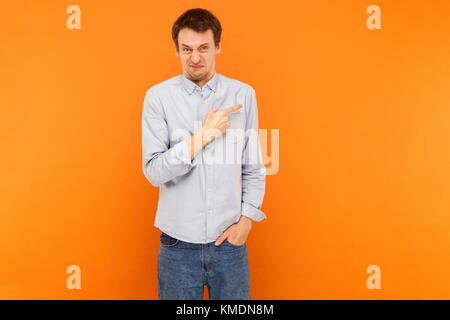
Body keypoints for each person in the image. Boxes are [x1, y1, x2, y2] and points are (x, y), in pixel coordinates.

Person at [141, 8, 266, 300]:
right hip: (177, 247)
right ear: (177, 50)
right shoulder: (158, 98)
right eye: (186, 49)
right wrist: (203, 137)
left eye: (203, 48)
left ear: (217, 47)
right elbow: (154, 171)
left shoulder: (243, 95)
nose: (195, 57)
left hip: (229, 246)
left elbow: (254, 167)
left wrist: (246, 221)